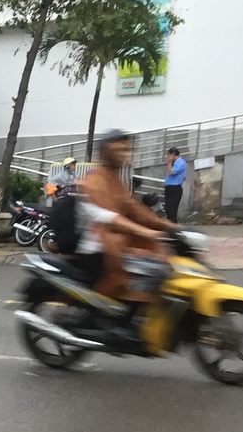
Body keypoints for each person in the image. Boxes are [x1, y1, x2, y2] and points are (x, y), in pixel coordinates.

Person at [74, 131, 177, 308]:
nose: (124, 154)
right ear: (105, 152)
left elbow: (133, 208)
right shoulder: (91, 181)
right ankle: (100, 313)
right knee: (149, 270)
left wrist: (168, 225)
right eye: (118, 149)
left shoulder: (115, 180)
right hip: (97, 248)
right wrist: (146, 232)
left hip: (119, 243)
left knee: (163, 267)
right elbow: (108, 218)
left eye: (126, 149)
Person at [164, 147, 188, 222]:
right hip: (169, 187)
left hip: (174, 188)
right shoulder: (175, 163)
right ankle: (169, 223)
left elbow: (171, 172)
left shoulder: (180, 162)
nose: (168, 157)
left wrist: (169, 162)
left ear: (173, 154)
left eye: (169, 155)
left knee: (172, 208)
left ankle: (173, 224)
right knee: (168, 208)